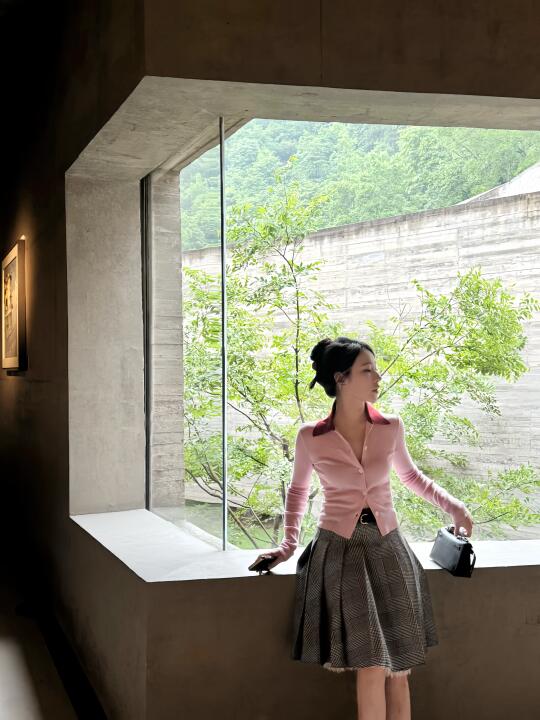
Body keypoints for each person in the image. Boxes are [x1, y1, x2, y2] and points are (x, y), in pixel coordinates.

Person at [253, 336, 474, 720]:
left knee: (399, 668)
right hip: (341, 552)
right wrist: (287, 545)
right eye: (367, 370)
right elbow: (298, 491)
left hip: (389, 548)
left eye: (375, 369)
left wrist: (455, 507)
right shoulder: (311, 437)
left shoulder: (391, 427)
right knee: (371, 664)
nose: (377, 377)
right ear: (341, 379)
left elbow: (412, 477)